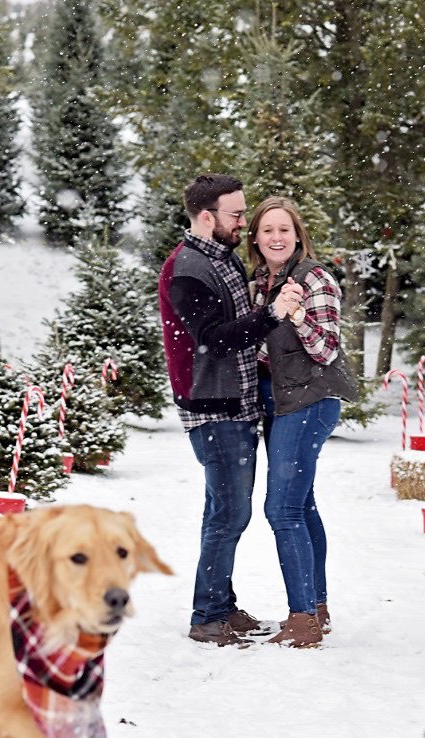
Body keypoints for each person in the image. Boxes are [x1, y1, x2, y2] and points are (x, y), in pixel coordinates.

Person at [158, 174, 304, 647]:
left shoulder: (219, 260)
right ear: (207, 217)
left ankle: (219, 605)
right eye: (236, 214)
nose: (245, 221)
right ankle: (207, 619)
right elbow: (214, 340)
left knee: (220, 512)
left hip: (235, 404)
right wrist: (273, 314)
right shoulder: (187, 269)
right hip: (213, 407)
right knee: (230, 515)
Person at [247, 196, 358, 648]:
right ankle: (317, 607)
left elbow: (326, 349)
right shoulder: (259, 281)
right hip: (279, 398)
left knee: (282, 509)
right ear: (256, 237)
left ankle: (302, 620)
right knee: (302, 504)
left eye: (284, 230)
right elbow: (261, 347)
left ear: (297, 236)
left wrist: (295, 312)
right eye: (267, 230)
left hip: (312, 398)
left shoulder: (315, 278)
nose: (276, 237)